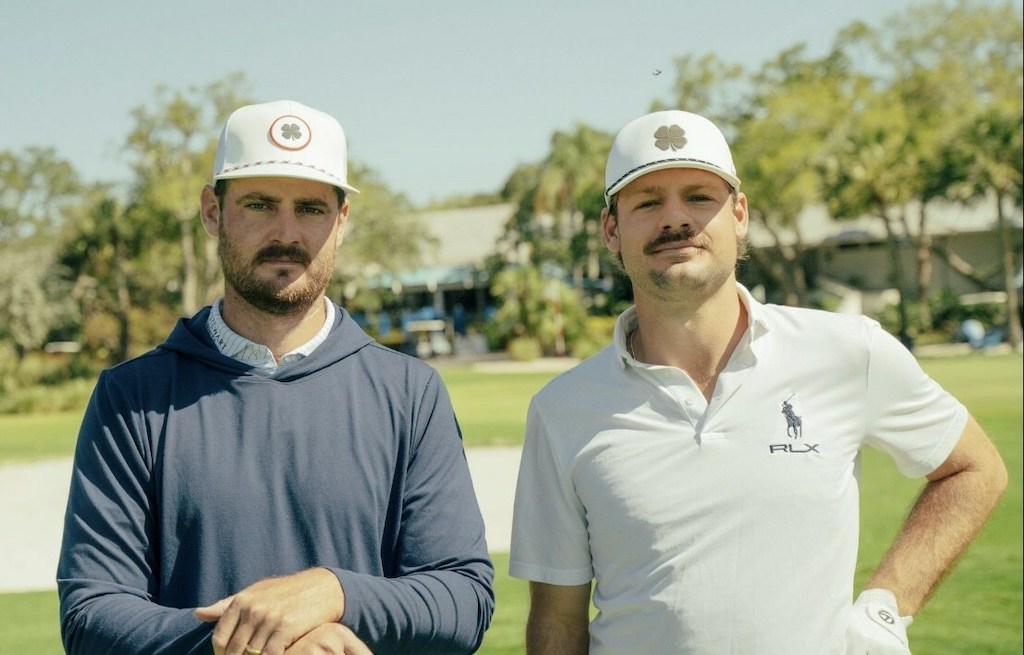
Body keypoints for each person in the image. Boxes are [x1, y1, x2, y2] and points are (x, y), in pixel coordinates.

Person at [508, 109, 1007, 654]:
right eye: (648, 202)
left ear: (739, 214)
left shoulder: (847, 351)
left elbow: (974, 468)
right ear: (611, 229)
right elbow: (557, 620)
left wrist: (887, 605)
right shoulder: (562, 410)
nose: (675, 219)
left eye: (699, 197)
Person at [58, 100, 494, 655]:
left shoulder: (410, 392)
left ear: (340, 222)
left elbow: (463, 598)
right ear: (212, 212)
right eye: (259, 204)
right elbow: (91, 616)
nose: (285, 233)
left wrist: (335, 593)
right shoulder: (131, 399)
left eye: (310, 208)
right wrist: (265, 642)